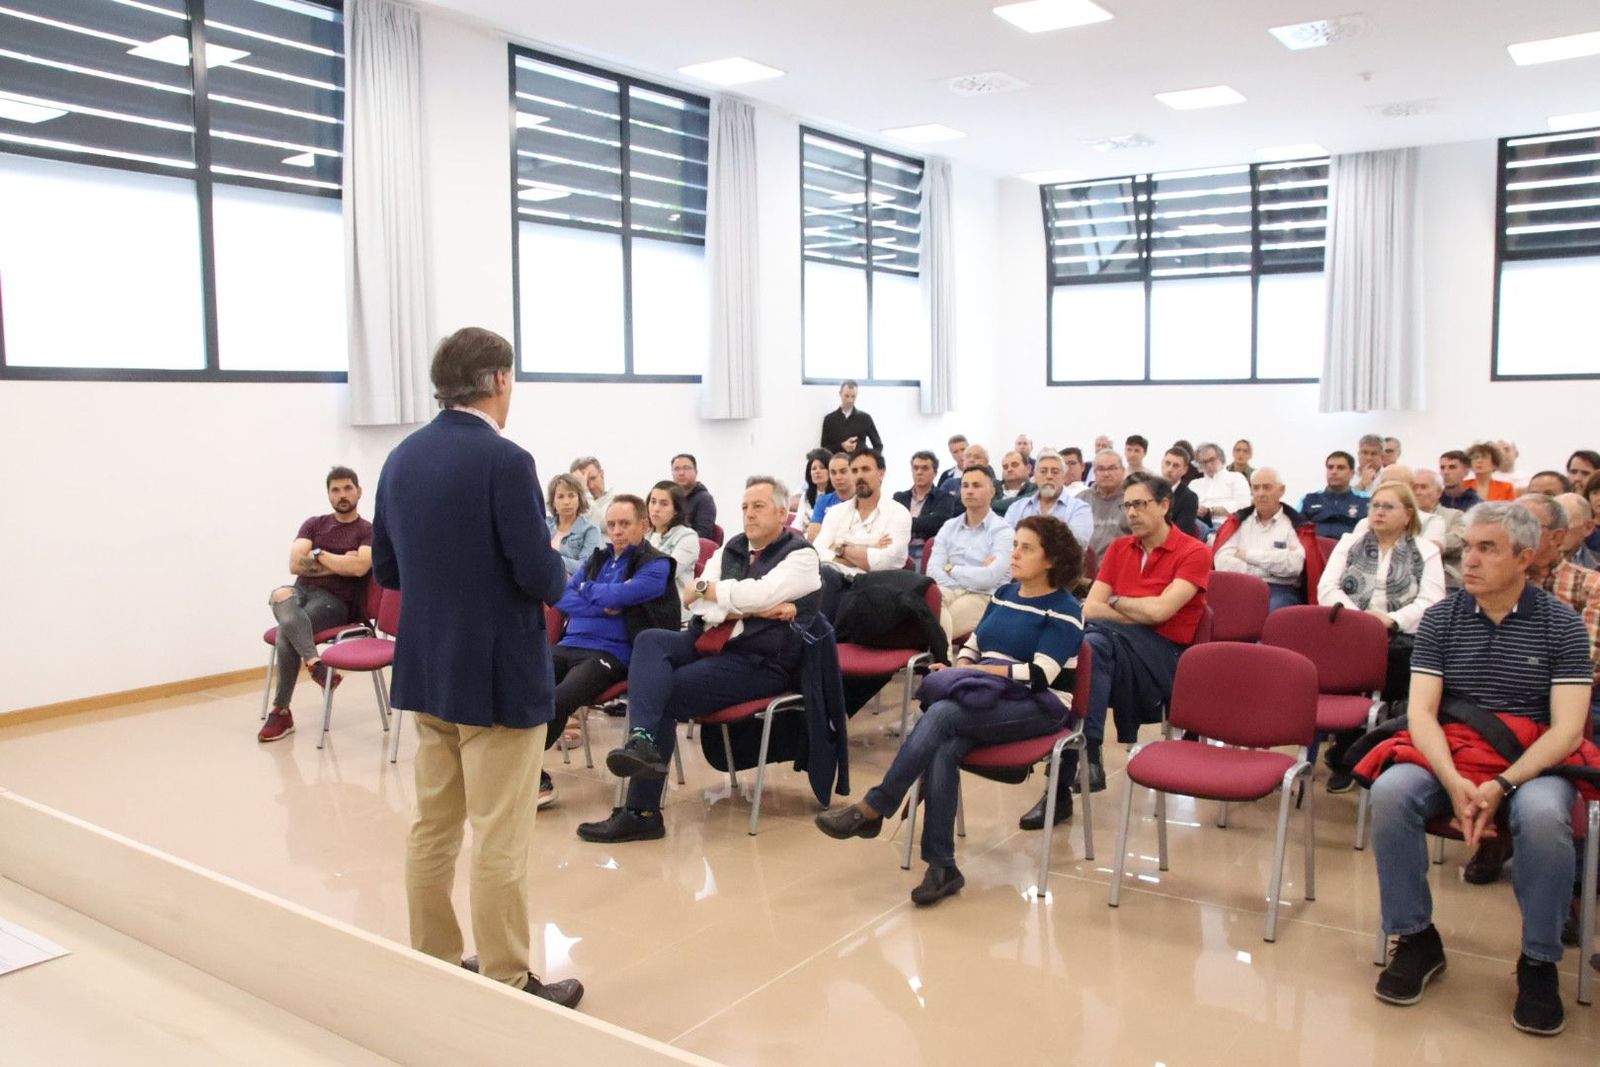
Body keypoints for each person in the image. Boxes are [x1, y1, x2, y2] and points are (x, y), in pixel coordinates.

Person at [370, 325, 581, 1007]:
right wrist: (554, 558)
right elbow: (540, 575)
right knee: (500, 831)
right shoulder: (506, 461)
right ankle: (508, 978)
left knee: (433, 822)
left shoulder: (400, 458)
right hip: (496, 675)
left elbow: (388, 568)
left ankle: (432, 955)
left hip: (428, 667)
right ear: (497, 380)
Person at [1364, 502, 1591, 1037]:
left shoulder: (1561, 625)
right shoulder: (1443, 617)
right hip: (1454, 753)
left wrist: (1502, 784)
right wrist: (1453, 780)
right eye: (1468, 548)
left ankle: (1538, 960)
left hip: (1532, 763)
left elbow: (1568, 732)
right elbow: (1420, 713)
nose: (1470, 561)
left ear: (1526, 558)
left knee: (1542, 821)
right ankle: (1417, 937)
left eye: (1488, 549)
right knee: (1392, 793)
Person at [816, 515, 1084, 906]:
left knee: (941, 715)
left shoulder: (1063, 609)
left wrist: (976, 671)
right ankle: (942, 868)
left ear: (1051, 560)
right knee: (944, 745)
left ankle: (877, 806)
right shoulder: (1005, 594)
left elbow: (1040, 675)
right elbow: (975, 644)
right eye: (1015, 546)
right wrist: (960, 668)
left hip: (1038, 706)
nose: (1015, 554)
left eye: (1026, 548)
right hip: (985, 695)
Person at [581, 477, 823, 843]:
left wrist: (727, 599)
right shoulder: (732, 548)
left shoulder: (801, 556)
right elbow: (691, 599)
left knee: (665, 691)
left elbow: (757, 593)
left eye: (758, 506)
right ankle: (642, 740)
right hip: (707, 640)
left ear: (781, 512)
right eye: (744, 507)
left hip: (759, 660)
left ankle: (641, 812)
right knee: (650, 641)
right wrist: (740, 606)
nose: (748, 514)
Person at [1020, 472, 1211, 827]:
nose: (1132, 513)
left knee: (1088, 649)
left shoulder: (1194, 552)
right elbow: (1091, 608)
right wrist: (1139, 608)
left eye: (1141, 504)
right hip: (1110, 647)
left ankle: (1076, 769)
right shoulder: (1121, 549)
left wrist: (1120, 599)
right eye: (1128, 506)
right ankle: (1074, 772)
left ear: (1165, 505)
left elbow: (1161, 613)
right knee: (1086, 650)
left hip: (1163, 656)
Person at [1460, 494, 1600, 886]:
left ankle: (1573, 883)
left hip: (1566, 706)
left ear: (1555, 537)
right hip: (1494, 712)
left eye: (1527, 524)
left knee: (1571, 775)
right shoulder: (1484, 585)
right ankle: (1497, 835)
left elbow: (1586, 665)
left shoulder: (1588, 584)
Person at [544, 496, 676, 806]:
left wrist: (587, 591)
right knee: (523, 687)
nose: (616, 531)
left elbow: (629, 593)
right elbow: (561, 598)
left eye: (625, 524)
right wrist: (606, 603)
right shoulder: (596, 559)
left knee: (558, 699)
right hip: (568, 644)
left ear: (643, 525)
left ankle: (523, 774)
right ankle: (523, 772)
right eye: (612, 524)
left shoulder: (656, 564)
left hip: (610, 655)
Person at [1317, 481, 1446, 791]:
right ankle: (1350, 756)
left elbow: (1432, 600)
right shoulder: (1350, 543)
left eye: (1388, 507)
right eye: (1375, 505)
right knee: (1353, 664)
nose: (1379, 512)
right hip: (1352, 631)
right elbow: (1327, 589)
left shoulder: (1425, 550)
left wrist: (1391, 620)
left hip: (1401, 635)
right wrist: (1363, 621)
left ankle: (1368, 752)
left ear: (1408, 515)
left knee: (1398, 664)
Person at [258, 467, 374, 743]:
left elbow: (359, 568)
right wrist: (338, 562)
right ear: (328, 495)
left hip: (336, 604)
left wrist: (319, 555)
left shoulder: (368, 531)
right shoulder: (314, 523)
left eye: (347, 488)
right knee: (279, 595)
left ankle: (281, 711)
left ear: (359, 491)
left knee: (288, 629)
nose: (342, 495)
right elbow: (295, 563)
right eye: (335, 490)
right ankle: (315, 664)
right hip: (300, 593)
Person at [928, 466, 1015, 643]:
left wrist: (950, 568)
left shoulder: (1003, 532)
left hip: (984, 597)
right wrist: (971, 575)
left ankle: (942, 663)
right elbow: (932, 571)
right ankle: (944, 661)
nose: (969, 490)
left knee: (934, 623)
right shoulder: (949, 526)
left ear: (992, 491)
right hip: (947, 590)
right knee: (929, 605)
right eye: (965, 485)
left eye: (976, 485)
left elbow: (989, 578)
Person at [1211, 467, 1314, 611]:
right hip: (1240, 586)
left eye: (1267, 487)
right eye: (1256, 488)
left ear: (1281, 490)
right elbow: (1222, 561)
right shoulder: (1238, 522)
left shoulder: (1295, 525)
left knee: (1269, 614)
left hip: (1281, 590)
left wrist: (1247, 555)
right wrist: (1269, 570)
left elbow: (1294, 566)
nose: (1260, 493)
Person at [815, 449, 912, 575]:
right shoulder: (835, 512)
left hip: (876, 586)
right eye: (854, 471)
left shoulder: (898, 513)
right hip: (835, 580)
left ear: (881, 474)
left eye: (865, 469)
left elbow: (886, 561)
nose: (859, 476)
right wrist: (870, 547)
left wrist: (840, 548)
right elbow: (817, 552)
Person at [1005, 450, 1093, 547]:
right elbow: (1006, 542)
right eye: (1043, 471)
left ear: (1063, 476)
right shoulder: (1016, 508)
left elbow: (1076, 545)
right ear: (1035, 476)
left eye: (1055, 472)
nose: (1049, 476)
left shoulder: (1079, 509)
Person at [646, 480, 701, 616]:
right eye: (653, 502)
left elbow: (664, 574)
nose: (656, 508)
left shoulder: (688, 537)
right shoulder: (645, 534)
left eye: (664, 504)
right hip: (643, 605)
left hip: (672, 612)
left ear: (676, 510)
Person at [894, 450, 958, 565]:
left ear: (935, 473)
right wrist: (924, 520)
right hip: (899, 549)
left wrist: (905, 522)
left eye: (924, 468)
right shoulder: (899, 497)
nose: (919, 472)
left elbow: (937, 523)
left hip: (927, 551)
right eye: (916, 468)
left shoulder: (945, 498)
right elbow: (891, 523)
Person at [1411, 469, 1467, 590]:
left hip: (1446, 580)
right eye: (1414, 487)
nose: (1418, 492)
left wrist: (1418, 543)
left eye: (1423, 487)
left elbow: (1458, 541)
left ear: (1438, 492)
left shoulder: (1455, 515)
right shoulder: (1402, 517)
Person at [1300, 451, 1369, 539]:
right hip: (1315, 548)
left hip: (1349, 550)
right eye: (1330, 467)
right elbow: (1296, 528)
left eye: (1340, 468)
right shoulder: (1309, 499)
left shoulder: (1365, 501)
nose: (1334, 472)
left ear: (1352, 473)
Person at [546, 472, 602, 576]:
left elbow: (587, 567)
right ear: (553, 502)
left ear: (579, 499)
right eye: (560, 497)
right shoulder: (544, 525)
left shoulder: (590, 530)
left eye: (571, 496)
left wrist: (552, 559)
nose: (566, 502)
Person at [1192, 442, 1252, 530]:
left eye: (1212, 460)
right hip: (1198, 525)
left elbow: (1244, 504)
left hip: (1226, 524)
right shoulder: (1194, 484)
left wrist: (1213, 510)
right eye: (1204, 462)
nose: (1208, 465)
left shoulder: (1236, 478)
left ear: (1221, 458)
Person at [819, 379, 883, 455]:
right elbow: (823, 449)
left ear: (857, 395)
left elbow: (878, 446)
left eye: (853, 396)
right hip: (837, 465)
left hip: (858, 464)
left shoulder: (865, 418)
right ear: (840, 394)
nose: (850, 400)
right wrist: (842, 446)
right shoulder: (829, 419)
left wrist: (868, 460)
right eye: (847, 396)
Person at [1086, 450, 1131, 556]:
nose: (1106, 474)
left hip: (1121, 564)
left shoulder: (1133, 500)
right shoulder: (1082, 500)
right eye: (1101, 469)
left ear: (1123, 471)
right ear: (1094, 473)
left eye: (1112, 468)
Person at [805, 452, 855, 541]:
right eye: (833, 473)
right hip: (827, 553)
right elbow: (813, 536)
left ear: (853, 472)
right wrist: (839, 548)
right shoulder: (822, 501)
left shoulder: (864, 500)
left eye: (843, 472)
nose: (838, 477)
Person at [671, 453, 719, 539]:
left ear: (696, 472)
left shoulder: (704, 499)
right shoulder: (671, 498)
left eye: (686, 468)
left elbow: (704, 534)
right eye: (676, 469)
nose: (681, 473)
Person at [1160, 447, 1201, 538]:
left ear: (1185, 470)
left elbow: (1182, 533)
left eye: (1176, 466)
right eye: (1167, 463)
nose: (1169, 469)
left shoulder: (1189, 498)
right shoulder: (1149, 490)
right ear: (1162, 464)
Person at [1556, 491, 1600, 571]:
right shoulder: (1531, 562)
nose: (1555, 533)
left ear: (1588, 528)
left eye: (1565, 525)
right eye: (1552, 525)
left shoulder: (1597, 563)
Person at [791, 448, 833, 528]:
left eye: (822, 467)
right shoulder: (806, 495)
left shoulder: (837, 495)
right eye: (813, 469)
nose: (817, 471)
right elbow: (798, 523)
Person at [569, 456, 614, 520]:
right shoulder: (570, 508)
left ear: (602, 474)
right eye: (584, 482)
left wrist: (585, 491)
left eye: (593, 478)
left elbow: (600, 524)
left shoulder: (618, 502)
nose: (590, 486)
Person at [994, 450, 1037, 515]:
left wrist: (993, 505)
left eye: (1014, 465)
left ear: (1028, 468)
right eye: (1005, 467)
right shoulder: (993, 489)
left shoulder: (1036, 489)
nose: (1009, 469)